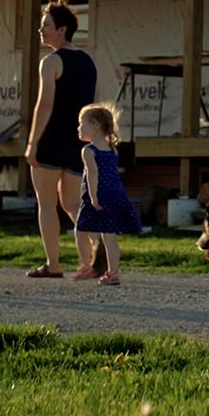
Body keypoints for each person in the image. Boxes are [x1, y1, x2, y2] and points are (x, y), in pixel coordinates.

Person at [22, 0, 101, 278]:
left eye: (46, 26)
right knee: (72, 204)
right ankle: (98, 248)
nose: (41, 31)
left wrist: (32, 143)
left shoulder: (51, 61)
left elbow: (44, 105)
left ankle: (53, 265)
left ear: (62, 29)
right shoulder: (88, 62)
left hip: (51, 139)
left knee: (46, 204)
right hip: (78, 141)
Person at [72, 103, 140, 285]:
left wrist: (93, 197)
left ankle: (86, 265)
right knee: (109, 237)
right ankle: (113, 272)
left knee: (80, 230)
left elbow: (93, 174)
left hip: (98, 195)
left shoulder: (88, 151)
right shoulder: (111, 148)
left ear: (94, 125)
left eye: (81, 123)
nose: (78, 128)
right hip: (115, 194)